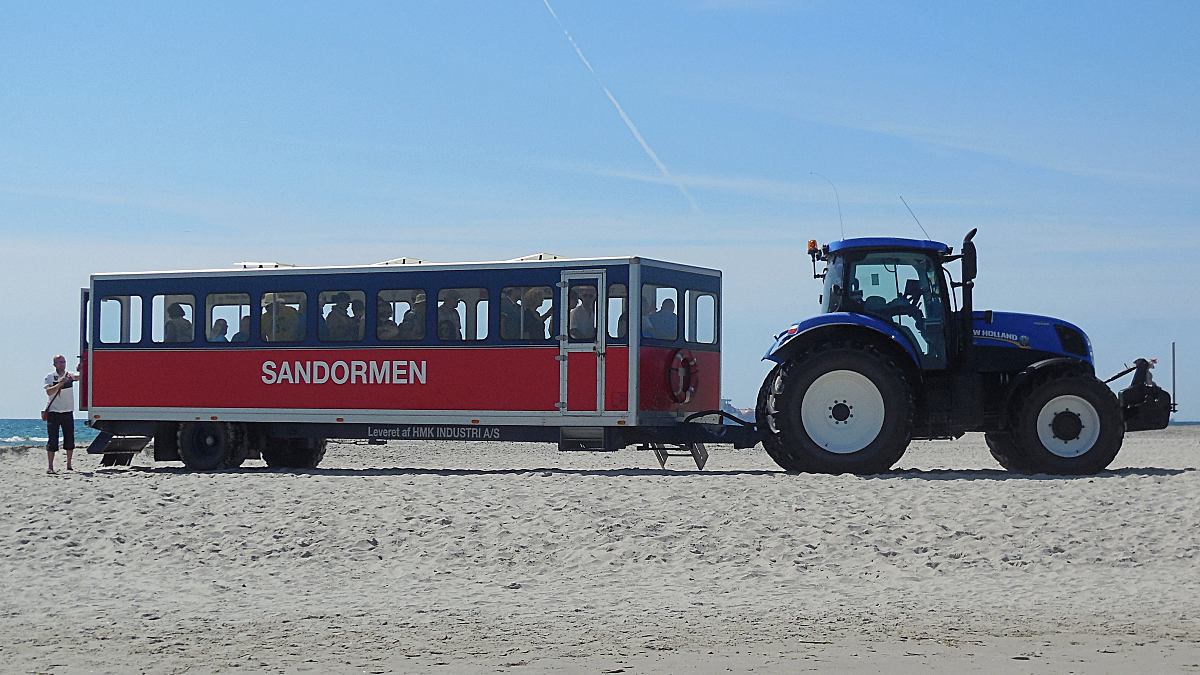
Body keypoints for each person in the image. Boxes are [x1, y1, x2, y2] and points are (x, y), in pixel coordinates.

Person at [43, 355, 78, 474]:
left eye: (63, 362)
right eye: (59, 362)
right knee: (53, 439)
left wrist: (81, 369)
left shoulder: (69, 375)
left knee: (70, 439)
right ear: (54, 364)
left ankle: (69, 465)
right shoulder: (50, 377)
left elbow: (80, 377)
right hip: (54, 412)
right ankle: (50, 466)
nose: (62, 364)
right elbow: (49, 392)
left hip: (67, 411)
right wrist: (59, 384)